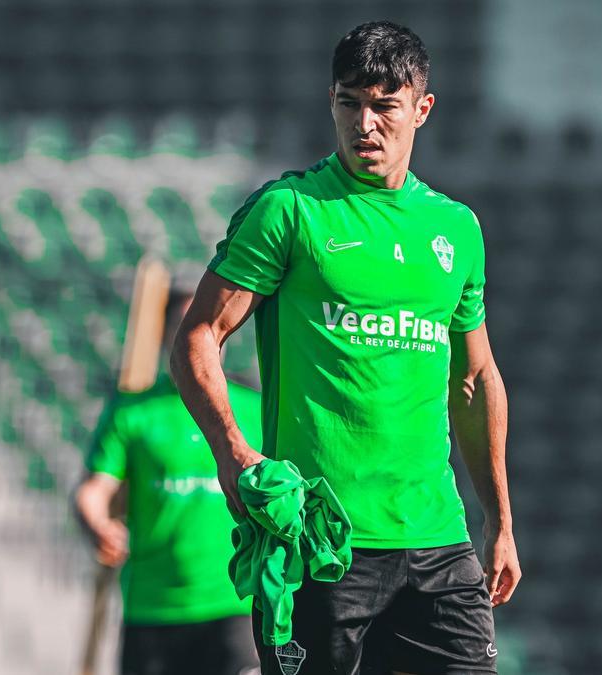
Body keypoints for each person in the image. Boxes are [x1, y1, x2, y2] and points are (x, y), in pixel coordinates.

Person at [171, 20, 520, 675]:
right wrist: (233, 453)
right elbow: (199, 337)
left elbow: (474, 380)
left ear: (422, 108)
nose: (365, 123)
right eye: (349, 102)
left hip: (437, 542)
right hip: (322, 542)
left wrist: (500, 520)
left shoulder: (456, 229)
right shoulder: (289, 210)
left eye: (385, 105)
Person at [76, 288, 261, 675]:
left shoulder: (254, 408)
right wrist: (97, 524)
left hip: (233, 604)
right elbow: (95, 491)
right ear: (165, 336)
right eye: (183, 326)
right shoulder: (133, 412)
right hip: (153, 608)